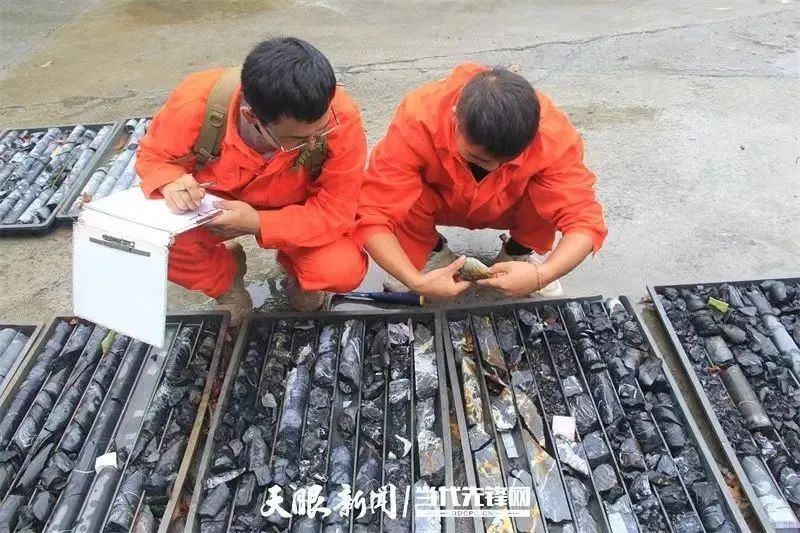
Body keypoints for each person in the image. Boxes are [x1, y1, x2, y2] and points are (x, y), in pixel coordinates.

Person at [137, 37, 368, 325]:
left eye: (320, 132)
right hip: (213, 207)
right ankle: (225, 282)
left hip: (296, 207)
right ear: (250, 116)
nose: (314, 141)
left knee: (341, 269)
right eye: (297, 139)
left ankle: (298, 272)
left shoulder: (340, 116)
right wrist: (170, 182)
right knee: (151, 241)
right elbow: (153, 156)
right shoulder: (197, 102)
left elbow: (336, 211)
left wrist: (259, 223)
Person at [354, 62, 608, 302]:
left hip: (510, 206)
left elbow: (583, 221)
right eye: (479, 158)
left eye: (507, 161)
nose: (494, 169)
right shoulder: (418, 117)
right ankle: (431, 252)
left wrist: (543, 275)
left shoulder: (552, 133)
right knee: (398, 193)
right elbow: (374, 214)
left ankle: (518, 253)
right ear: (455, 118)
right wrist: (415, 282)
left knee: (550, 194)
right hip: (442, 201)